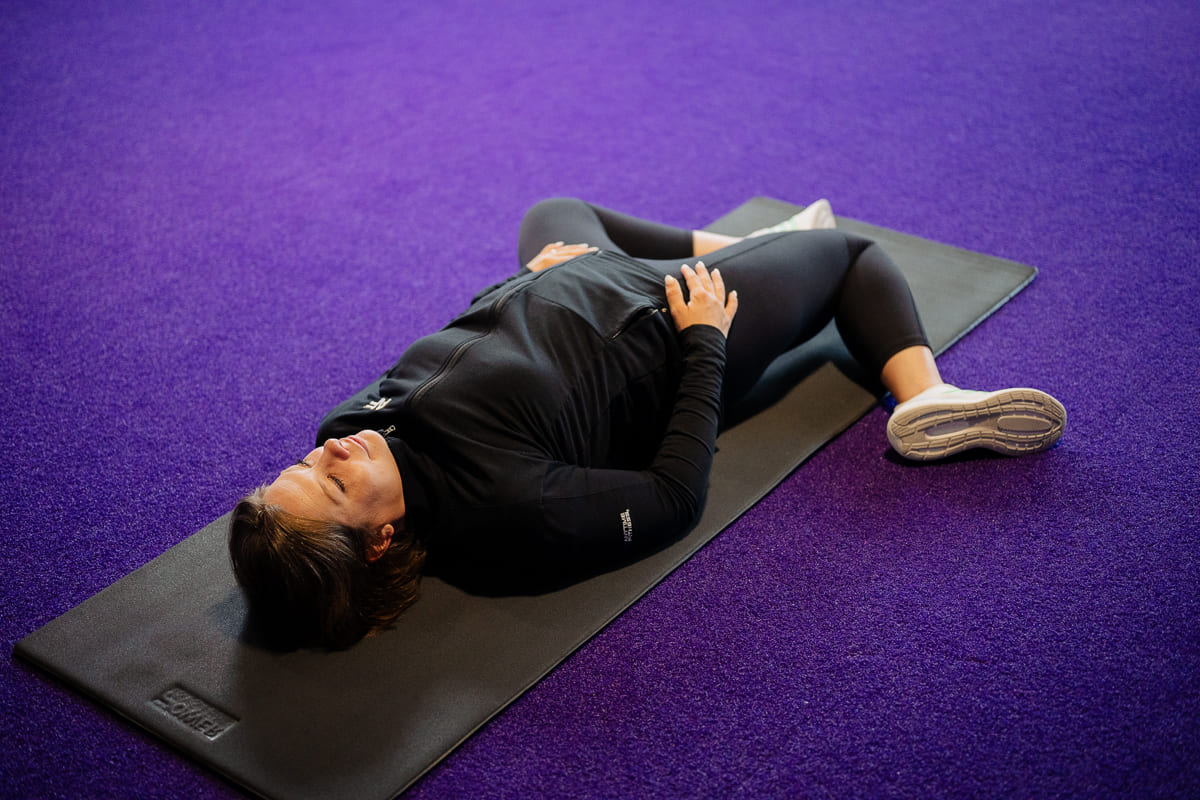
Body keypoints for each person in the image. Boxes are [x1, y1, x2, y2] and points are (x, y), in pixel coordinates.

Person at [228, 198, 1065, 648]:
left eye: (303, 464)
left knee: (550, 210)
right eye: (336, 481)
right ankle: (925, 396)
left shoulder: (349, 424)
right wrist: (705, 340)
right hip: (665, 323)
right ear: (379, 538)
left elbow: (458, 342)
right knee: (852, 255)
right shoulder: (507, 508)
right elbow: (670, 498)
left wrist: (515, 289)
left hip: (576, 277)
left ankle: (753, 244)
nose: (334, 448)